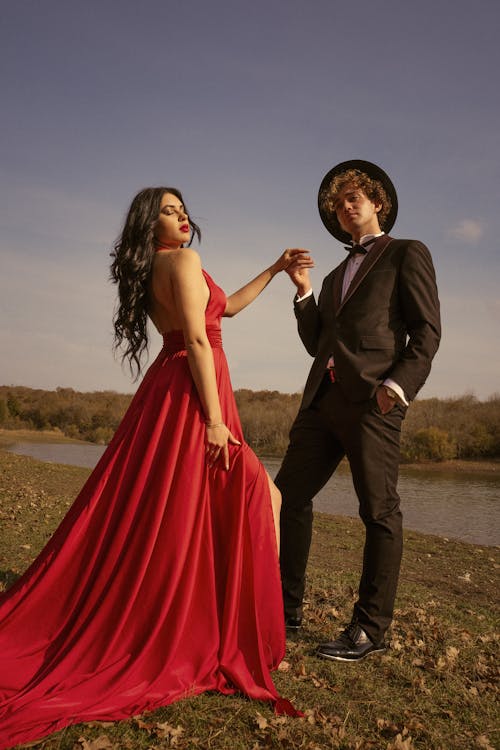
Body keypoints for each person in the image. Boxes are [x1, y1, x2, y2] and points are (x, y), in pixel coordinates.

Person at [0, 187, 311, 748]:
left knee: (207, 506)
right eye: (169, 210)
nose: (183, 215)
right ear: (149, 225)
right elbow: (196, 337)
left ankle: (240, 633)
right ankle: (254, 641)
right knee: (263, 497)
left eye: (183, 208)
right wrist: (215, 420)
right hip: (196, 392)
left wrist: (273, 268)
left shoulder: (158, 269)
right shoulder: (183, 261)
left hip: (177, 386)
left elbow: (227, 310)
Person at [276, 160, 441, 661]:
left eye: (354, 199)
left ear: (376, 203)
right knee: (287, 498)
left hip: (374, 401)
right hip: (321, 402)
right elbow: (317, 343)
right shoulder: (328, 278)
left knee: (379, 511)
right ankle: (284, 609)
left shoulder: (407, 253)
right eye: (339, 204)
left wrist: (395, 387)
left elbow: (426, 333)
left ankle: (369, 629)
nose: (346, 208)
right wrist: (303, 290)